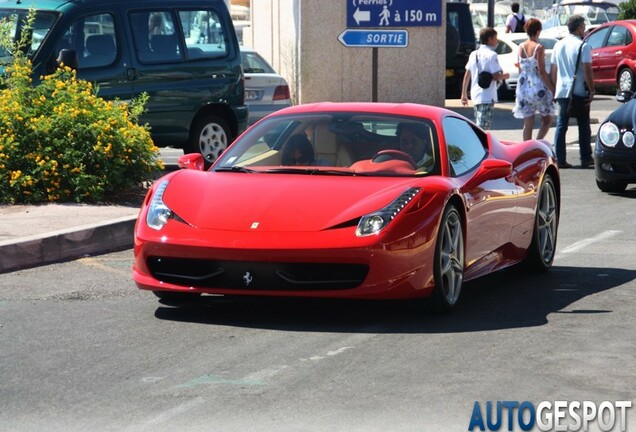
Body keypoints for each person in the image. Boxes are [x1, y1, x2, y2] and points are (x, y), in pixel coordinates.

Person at [550, 15, 595, 169]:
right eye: (583, 26)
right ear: (578, 27)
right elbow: (588, 70)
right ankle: (585, 157)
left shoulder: (558, 45)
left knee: (561, 125)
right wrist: (592, 89)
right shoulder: (583, 46)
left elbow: (553, 71)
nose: (584, 29)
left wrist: (554, 89)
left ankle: (560, 159)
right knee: (583, 124)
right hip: (578, 90)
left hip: (562, 90)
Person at [512, 18, 555, 141]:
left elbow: (520, 69)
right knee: (547, 120)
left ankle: (527, 149)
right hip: (538, 88)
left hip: (523, 88)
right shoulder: (539, 48)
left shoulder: (521, 47)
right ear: (538, 31)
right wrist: (552, 88)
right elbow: (541, 72)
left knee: (527, 123)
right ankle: (538, 142)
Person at [461, 27, 510, 130]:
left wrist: (464, 93)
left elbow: (467, 74)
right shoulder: (492, 55)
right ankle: (478, 146)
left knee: (479, 124)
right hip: (487, 96)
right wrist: (506, 76)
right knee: (483, 129)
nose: (497, 41)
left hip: (475, 95)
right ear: (489, 39)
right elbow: (496, 76)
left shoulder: (473, 54)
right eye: (495, 38)